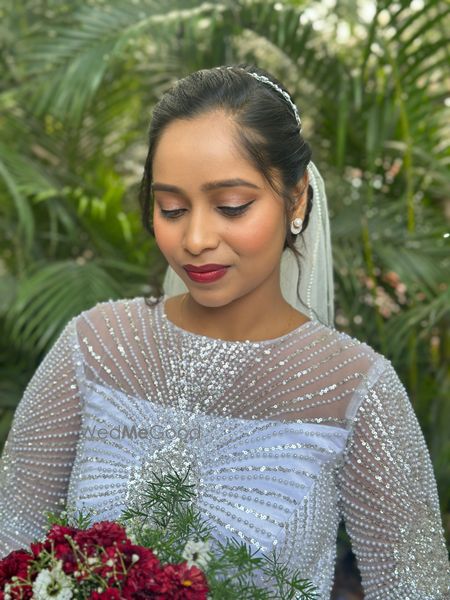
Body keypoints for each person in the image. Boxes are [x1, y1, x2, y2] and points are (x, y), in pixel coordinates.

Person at [0, 64, 448, 599]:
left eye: (231, 206)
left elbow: (416, 588)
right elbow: (12, 545)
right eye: (171, 209)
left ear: (297, 198)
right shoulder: (94, 346)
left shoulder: (356, 388)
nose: (195, 239)